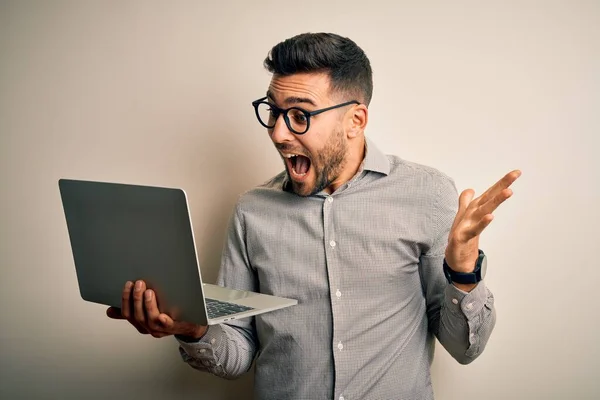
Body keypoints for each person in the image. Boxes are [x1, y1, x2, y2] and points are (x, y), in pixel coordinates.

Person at [107, 32, 521, 400]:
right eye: (273, 111)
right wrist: (192, 329)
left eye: (300, 115)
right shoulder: (253, 211)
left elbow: (464, 348)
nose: (278, 133)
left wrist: (463, 271)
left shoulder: (426, 194)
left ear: (355, 120)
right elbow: (237, 354)